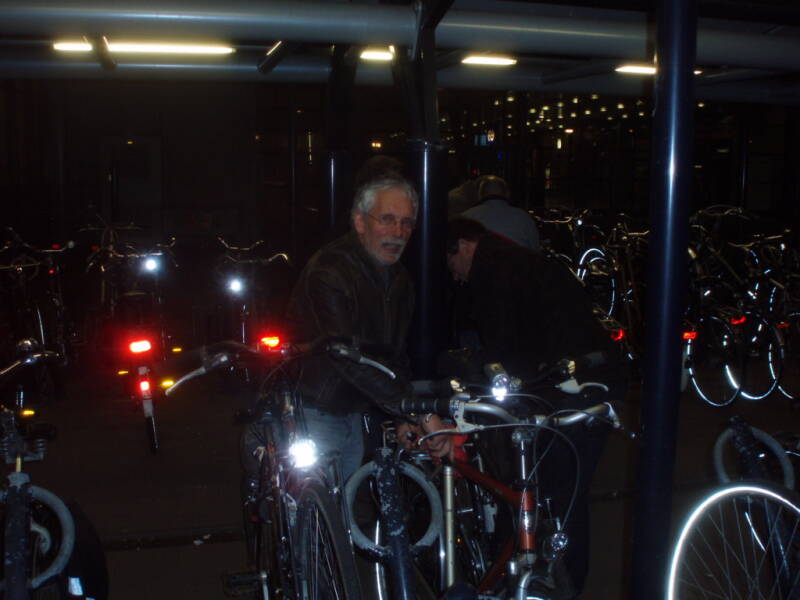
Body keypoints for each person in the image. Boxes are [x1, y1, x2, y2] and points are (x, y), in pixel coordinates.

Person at [439, 217, 627, 597]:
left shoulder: (492, 272)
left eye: (452, 264)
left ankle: (556, 583)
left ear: (464, 246)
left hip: (568, 391)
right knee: (565, 499)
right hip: (592, 382)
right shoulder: (520, 259)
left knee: (554, 498)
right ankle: (562, 582)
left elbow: (503, 350)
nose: (456, 276)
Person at [283, 173, 449, 482]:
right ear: (360, 222)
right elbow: (345, 355)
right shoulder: (330, 270)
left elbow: (393, 356)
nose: (398, 232)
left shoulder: (398, 279)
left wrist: (402, 417)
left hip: (355, 407)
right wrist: (417, 412)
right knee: (319, 502)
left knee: (347, 499)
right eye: (387, 219)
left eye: (407, 223)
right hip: (317, 407)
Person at [462, 175, 541, 251]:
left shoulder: (467, 217)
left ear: (480, 194)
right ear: (507, 193)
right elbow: (535, 250)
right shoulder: (524, 218)